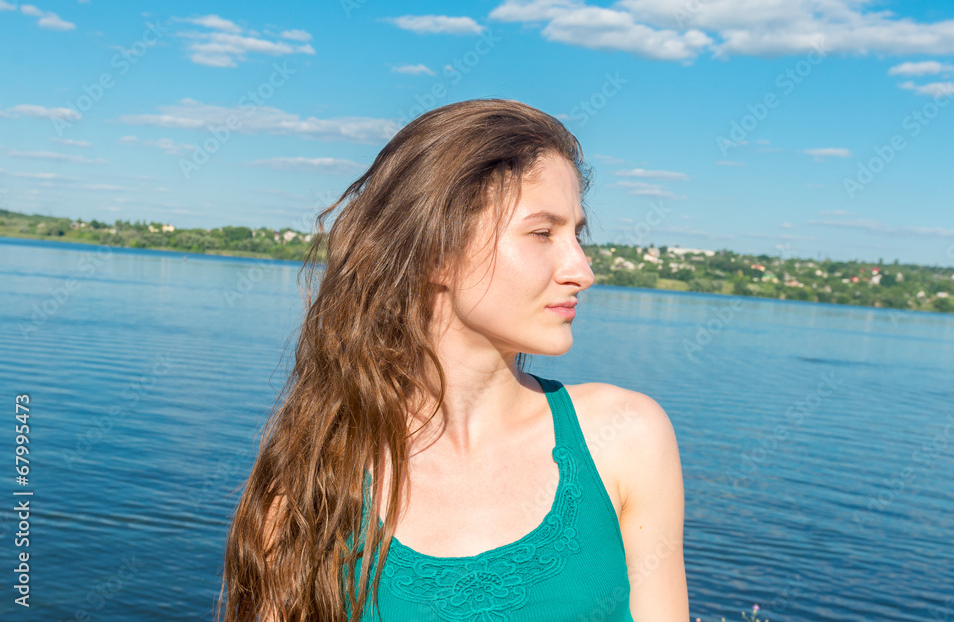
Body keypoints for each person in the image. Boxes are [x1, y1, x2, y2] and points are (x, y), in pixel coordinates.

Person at [216, 98, 688, 621]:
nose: (582, 269)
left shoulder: (625, 436)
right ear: (436, 251)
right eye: (542, 233)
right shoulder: (316, 475)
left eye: (577, 234)